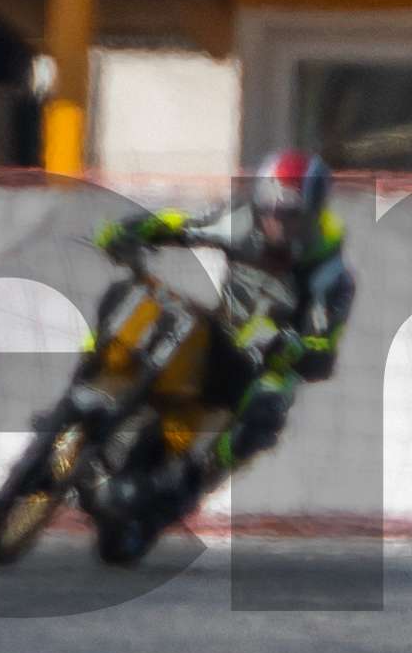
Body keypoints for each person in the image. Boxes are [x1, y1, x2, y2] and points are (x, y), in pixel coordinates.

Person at [88, 148, 356, 525]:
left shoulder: (330, 273)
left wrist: (304, 349)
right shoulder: (240, 221)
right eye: (270, 210)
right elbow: (185, 225)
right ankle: (89, 386)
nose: (276, 222)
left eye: (289, 215)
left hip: (271, 360)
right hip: (222, 330)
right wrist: (134, 230)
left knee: (266, 408)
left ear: (312, 214)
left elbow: (327, 341)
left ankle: (196, 478)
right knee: (133, 303)